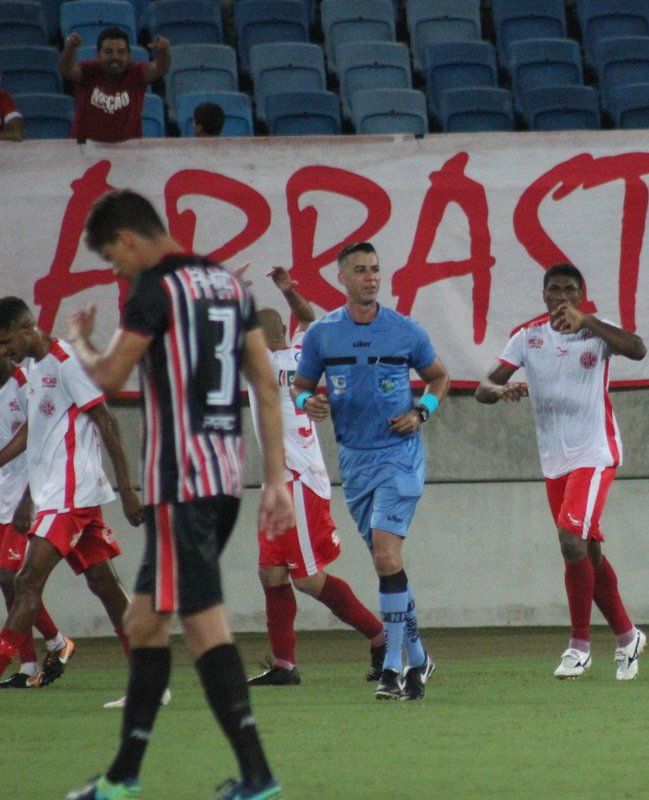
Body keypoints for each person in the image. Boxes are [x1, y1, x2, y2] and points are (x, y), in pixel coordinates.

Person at [64, 189, 292, 800]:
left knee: (202, 625)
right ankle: (123, 775)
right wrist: (275, 477)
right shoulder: (228, 286)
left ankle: (257, 776)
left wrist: (79, 341)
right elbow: (265, 385)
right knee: (143, 622)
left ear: (130, 239)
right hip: (222, 480)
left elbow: (110, 377)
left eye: (113, 259)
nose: (117, 273)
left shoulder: (154, 290)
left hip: (181, 485)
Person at [290, 241, 448, 702]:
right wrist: (309, 401)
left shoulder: (404, 330)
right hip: (355, 462)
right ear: (342, 278)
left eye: (376, 269)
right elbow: (300, 388)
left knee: (384, 556)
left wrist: (422, 411)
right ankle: (418, 660)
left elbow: (440, 378)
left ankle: (394, 670)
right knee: (388, 563)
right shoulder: (323, 335)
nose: (371, 277)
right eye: (360, 270)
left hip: (400, 456)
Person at [475, 263, 648, 681]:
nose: (562, 298)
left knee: (570, 539)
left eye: (571, 291)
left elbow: (639, 349)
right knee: (588, 552)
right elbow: (483, 388)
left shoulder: (597, 332)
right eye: (555, 290)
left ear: (581, 294)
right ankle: (628, 636)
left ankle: (579, 646)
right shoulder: (528, 337)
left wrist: (589, 319)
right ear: (544, 295)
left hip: (595, 453)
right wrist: (502, 391)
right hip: (554, 460)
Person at [238, 265, 387, 687]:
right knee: (271, 573)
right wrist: (290, 292)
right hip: (279, 483)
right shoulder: (303, 351)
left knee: (305, 577)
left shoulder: (262, 362)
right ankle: (284, 665)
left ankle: (381, 638)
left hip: (300, 481)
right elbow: (306, 317)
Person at [0, 299, 143, 690]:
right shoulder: (32, 368)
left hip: (71, 493)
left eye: (7, 340)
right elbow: (34, 433)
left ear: (28, 326)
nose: (4, 350)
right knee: (105, 586)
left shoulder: (67, 362)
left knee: (25, 581)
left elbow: (105, 420)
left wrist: (127, 487)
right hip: (56, 494)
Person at [0, 355, 73, 689]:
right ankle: (31, 663)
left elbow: (39, 440)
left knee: (12, 577)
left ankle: (55, 643)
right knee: (8, 583)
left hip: (25, 494)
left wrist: (29, 498)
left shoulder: (23, 385)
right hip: (2, 492)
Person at [59, 27, 171, 143]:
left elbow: (160, 68)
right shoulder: (88, 71)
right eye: (108, 52)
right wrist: (70, 49)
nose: (115, 57)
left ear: (129, 55)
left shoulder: (136, 73)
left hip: (129, 151)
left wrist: (163, 52)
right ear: (98, 55)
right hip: (86, 151)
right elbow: (66, 70)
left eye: (121, 52)